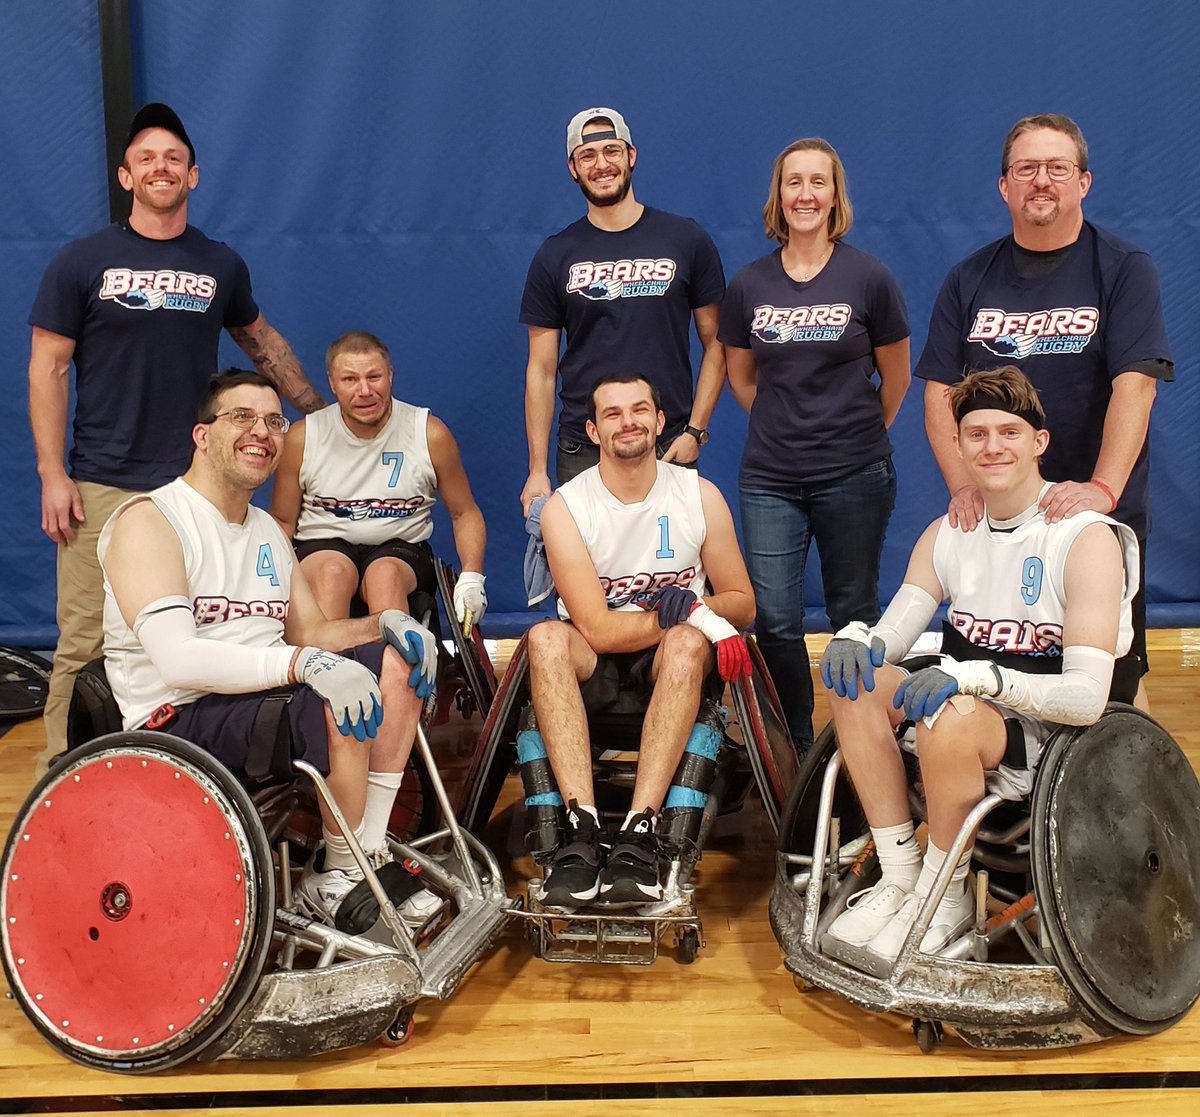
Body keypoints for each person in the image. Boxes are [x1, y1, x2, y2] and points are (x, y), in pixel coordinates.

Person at [28, 102, 326, 768]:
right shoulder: (82, 261)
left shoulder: (219, 264)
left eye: (172, 159)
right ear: (125, 176)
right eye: (145, 159)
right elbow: (47, 367)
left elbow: (262, 343)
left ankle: (179, 778)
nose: (159, 167)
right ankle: (65, 787)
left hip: (197, 485)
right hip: (103, 478)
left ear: (193, 175)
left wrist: (319, 408)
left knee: (206, 631)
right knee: (83, 645)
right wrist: (52, 473)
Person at [818, 366, 1137, 967]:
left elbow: (1087, 698)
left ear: (1038, 442)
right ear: (959, 446)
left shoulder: (1083, 538)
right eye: (976, 435)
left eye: (1008, 432)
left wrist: (977, 678)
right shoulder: (950, 530)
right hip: (962, 708)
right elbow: (893, 633)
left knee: (949, 715)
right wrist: (857, 637)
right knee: (854, 682)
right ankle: (901, 875)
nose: (992, 447)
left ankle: (948, 898)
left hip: (1046, 735)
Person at [99, 370, 442, 927]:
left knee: (395, 665)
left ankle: (363, 853)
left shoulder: (265, 529)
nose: (261, 431)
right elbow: (178, 659)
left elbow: (312, 633)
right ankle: (336, 872)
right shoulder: (151, 520)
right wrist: (304, 664)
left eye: (273, 420)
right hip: (177, 717)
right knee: (336, 699)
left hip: (260, 695)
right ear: (202, 434)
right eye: (241, 416)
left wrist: (388, 623)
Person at [916, 113, 1172, 705]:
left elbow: (1137, 387)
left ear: (1084, 182)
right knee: (991, 692)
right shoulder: (968, 278)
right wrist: (963, 487)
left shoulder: (1124, 268)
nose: (1041, 181)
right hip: (999, 528)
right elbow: (937, 395)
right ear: (1004, 186)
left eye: (1058, 168)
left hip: (1086, 525)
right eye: (1026, 168)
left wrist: (1102, 490)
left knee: (1105, 695)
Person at [528, 375, 755, 912]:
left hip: (670, 662)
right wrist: (670, 609)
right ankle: (580, 828)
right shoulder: (566, 506)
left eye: (639, 410)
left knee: (685, 643)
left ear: (659, 422)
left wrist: (693, 612)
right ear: (592, 429)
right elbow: (599, 629)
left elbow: (743, 603)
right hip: (596, 660)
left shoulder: (698, 495)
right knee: (543, 638)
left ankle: (640, 830)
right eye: (612, 413)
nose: (627, 421)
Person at [721, 137, 911, 756]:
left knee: (851, 613)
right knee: (774, 620)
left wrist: (850, 430)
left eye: (818, 182)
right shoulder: (749, 284)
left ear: (835, 195)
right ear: (778, 195)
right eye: (793, 182)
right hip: (770, 478)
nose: (805, 194)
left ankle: (858, 746)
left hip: (855, 473)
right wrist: (788, 424)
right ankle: (797, 750)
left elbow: (898, 377)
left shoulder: (869, 277)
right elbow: (743, 378)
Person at [518, 107, 727, 512]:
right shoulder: (555, 255)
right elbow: (540, 370)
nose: (602, 165)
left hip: (667, 443)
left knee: (674, 573)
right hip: (584, 446)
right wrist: (537, 470)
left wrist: (695, 431)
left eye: (611, 151)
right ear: (573, 169)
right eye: (588, 156)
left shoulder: (685, 239)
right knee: (586, 576)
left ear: (631, 155)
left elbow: (717, 343)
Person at [269, 330, 487, 645]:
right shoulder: (303, 437)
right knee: (332, 573)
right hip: (323, 543)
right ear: (332, 383)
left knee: (384, 574)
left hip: (400, 547)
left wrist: (471, 575)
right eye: (350, 380)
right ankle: (323, 685)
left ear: (390, 376)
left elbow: (464, 512)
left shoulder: (429, 433)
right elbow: (282, 521)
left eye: (374, 377)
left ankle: (396, 683)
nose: (365, 391)